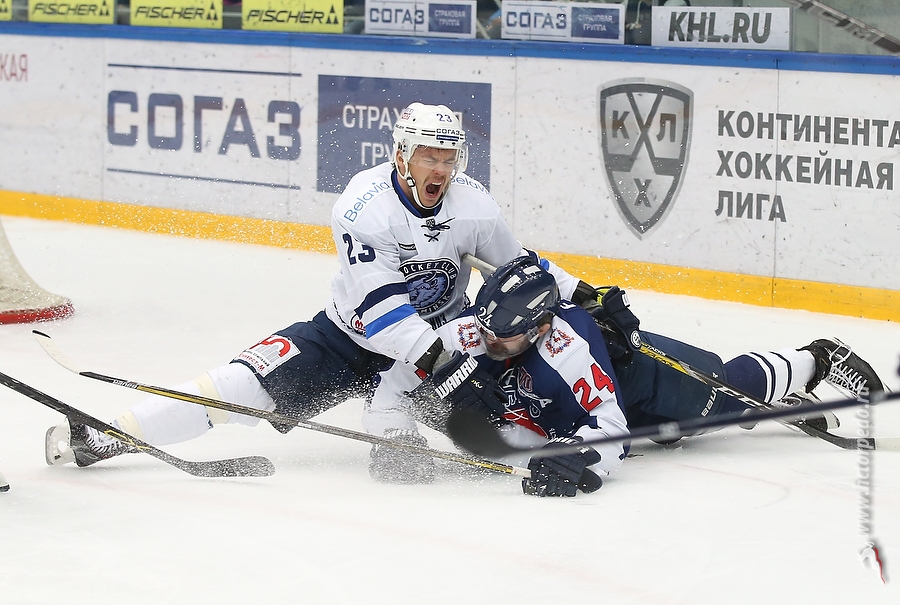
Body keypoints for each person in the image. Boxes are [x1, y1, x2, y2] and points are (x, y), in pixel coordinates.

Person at [44, 103, 597, 483]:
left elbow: (519, 267)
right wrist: (443, 363)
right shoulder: (364, 205)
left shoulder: (473, 203)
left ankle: (597, 439)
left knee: (498, 429)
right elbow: (381, 313)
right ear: (402, 154)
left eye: (449, 159)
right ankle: (108, 434)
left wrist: (585, 293)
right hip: (347, 341)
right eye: (430, 156)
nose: (442, 169)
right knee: (237, 387)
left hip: (444, 347)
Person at [426, 256, 886, 497]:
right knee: (673, 435)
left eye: (502, 337)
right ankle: (774, 405)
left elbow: (611, 429)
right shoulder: (481, 329)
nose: (488, 342)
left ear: (541, 327)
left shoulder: (569, 351)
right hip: (581, 405)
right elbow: (413, 366)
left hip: (638, 381)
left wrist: (581, 458)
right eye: (485, 331)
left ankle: (816, 360)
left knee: (724, 397)